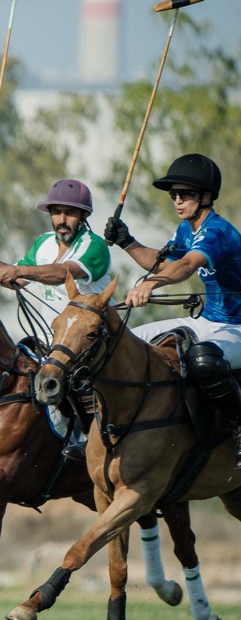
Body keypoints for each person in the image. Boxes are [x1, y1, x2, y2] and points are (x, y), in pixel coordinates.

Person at [0, 178, 111, 486]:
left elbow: (61, 273)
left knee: (75, 383)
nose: (62, 220)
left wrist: (21, 270)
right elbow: (14, 279)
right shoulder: (43, 243)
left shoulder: (95, 247)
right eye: (56, 212)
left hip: (86, 341)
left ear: (83, 217)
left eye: (70, 213)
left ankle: (84, 441)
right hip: (48, 339)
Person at [105, 153, 241, 438]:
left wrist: (150, 285)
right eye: (174, 195)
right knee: (126, 342)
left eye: (185, 194)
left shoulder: (218, 231)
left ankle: (237, 429)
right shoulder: (186, 229)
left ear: (206, 196)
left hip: (237, 327)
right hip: (207, 321)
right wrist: (126, 242)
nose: (177, 200)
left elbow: (186, 266)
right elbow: (163, 262)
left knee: (203, 360)